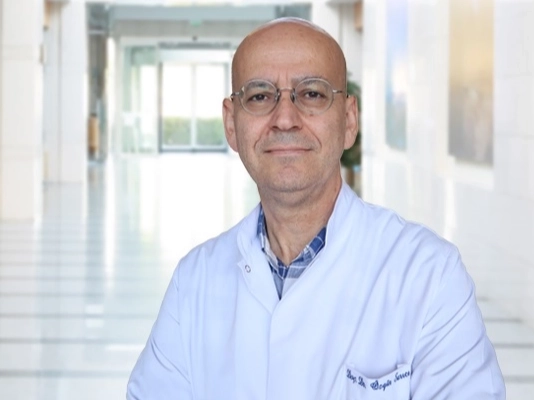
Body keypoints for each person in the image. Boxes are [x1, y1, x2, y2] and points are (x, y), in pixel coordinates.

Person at [127, 17, 505, 400]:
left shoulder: (430, 276)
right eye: (259, 96)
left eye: (311, 94)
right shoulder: (194, 281)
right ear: (231, 124)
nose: (284, 119)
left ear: (349, 120)